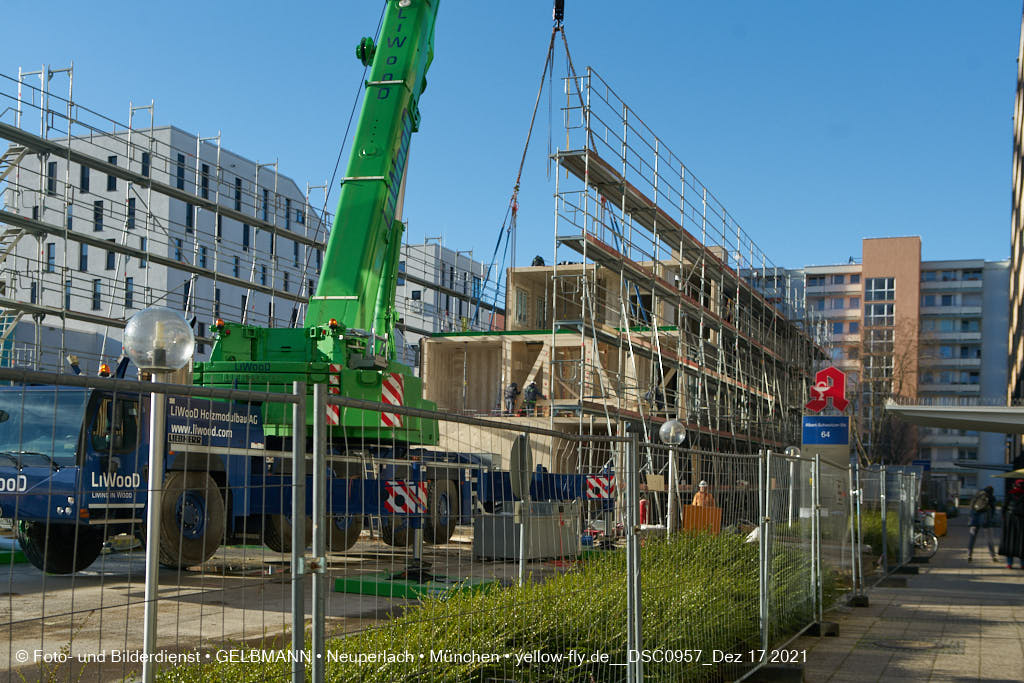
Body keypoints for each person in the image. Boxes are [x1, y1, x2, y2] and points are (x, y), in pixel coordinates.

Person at [967, 485, 997, 562]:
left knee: (972, 537)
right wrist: (992, 518)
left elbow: (971, 506)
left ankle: (969, 554)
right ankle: (993, 556)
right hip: (986, 519)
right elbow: (993, 509)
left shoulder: (977, 495)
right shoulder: (991, 497)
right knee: (989, 538)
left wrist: (971, 517)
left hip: (975, 518)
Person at [999, 479, 1024, 569]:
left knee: (1009, 541)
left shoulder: (1010, 493)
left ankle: (1009, 563)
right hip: (1022, 521)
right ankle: (1022, 564)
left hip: (1010, 521)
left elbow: (1003, 508)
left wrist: (1004, 519)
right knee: (1021, 542)